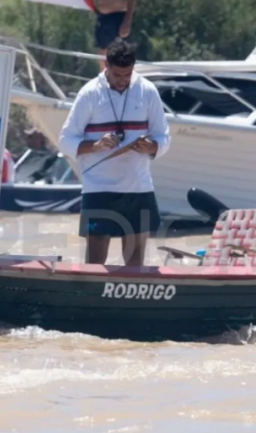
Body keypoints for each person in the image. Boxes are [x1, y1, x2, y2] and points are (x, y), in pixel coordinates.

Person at [58, 40, 170, 266]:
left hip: (138, 187)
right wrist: (95, 146)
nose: (122, 81)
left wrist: (151, 147)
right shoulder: (89, 93)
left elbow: (164, 137)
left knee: (135, 267)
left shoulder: (147, 91)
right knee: (95, 265)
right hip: (99, 187)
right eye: (117, 75)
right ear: (106, 65)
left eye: (127, 75)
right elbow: (65, 140)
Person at [93, 0, 135, 71]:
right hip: (102, 17)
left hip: (118, 16)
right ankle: (104, 79)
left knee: (119, 53)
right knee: (102, 54)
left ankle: (119, 79)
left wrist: (127, 21)